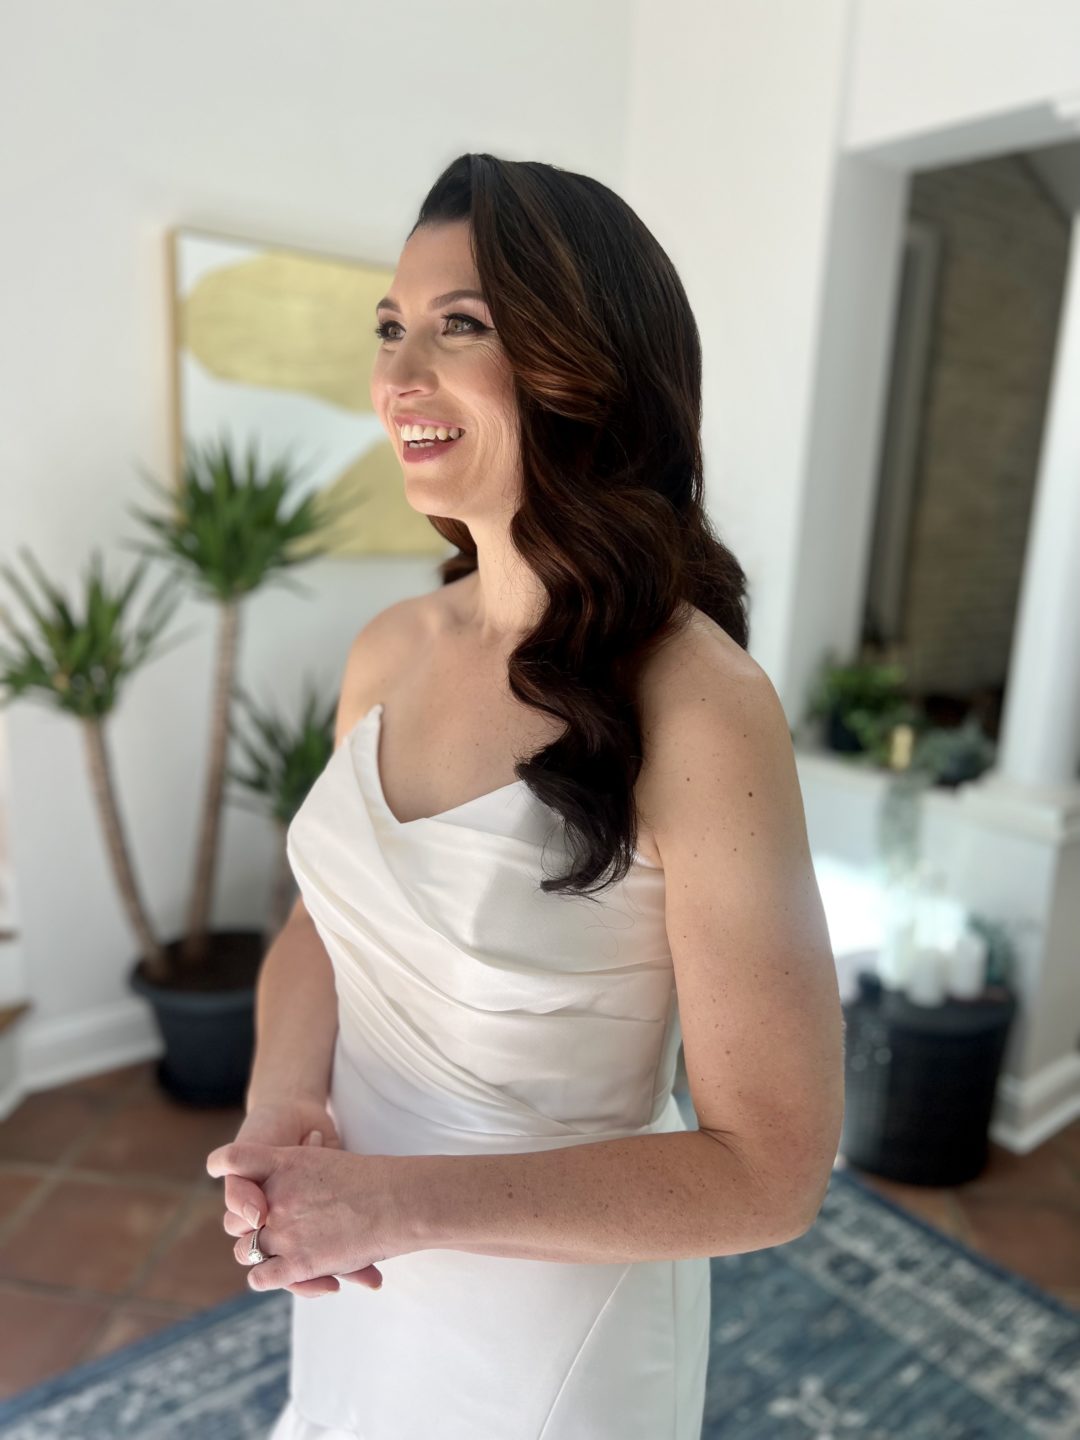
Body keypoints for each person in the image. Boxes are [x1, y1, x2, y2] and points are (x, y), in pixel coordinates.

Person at [205, 152, 845, 1440]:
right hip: (358, 1263)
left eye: (461, 326)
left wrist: (397, 1206)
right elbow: (325, 925)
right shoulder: (391, 647)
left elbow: (769, 1174)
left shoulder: (701, 708)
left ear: (582, 366)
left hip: (548, 1329)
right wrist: (285, 1107)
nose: (399, 376)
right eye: (389, 327)